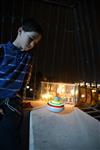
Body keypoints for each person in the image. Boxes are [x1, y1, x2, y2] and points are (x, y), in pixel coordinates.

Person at [0, 17, 43, 150]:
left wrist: (21, 98)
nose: (32, 45)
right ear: (20, 31)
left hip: (12, 99)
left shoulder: (28, 57)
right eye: (31, 39)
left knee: (11, 124)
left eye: (35, 43)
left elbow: (25, 81)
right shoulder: (2, 50)